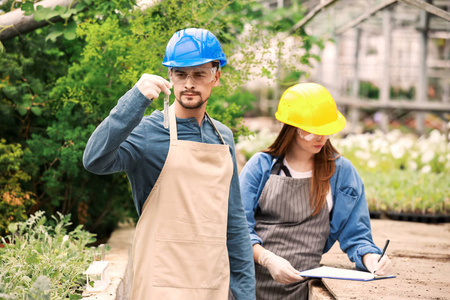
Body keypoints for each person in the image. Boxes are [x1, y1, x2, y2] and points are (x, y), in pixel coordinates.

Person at [83, 28, 255, 300]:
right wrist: (135, 99)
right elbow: (94, 160)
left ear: (216, 76)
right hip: (160, 284)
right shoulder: (149, 132)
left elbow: (234, 222)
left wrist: (245, 294)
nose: (189, 83)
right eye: (181, 73)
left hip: (212, 283)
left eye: (199, 74)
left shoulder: (224, 138)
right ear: (170, 76)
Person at [239, 83, 392, 299]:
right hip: (249, 287)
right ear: (291, 127)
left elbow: (357, 234)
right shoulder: (261, 166)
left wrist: (370, 258)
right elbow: (237, 228)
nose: (321, 137)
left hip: (301, 288)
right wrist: (267, 259)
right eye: (313, 131)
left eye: (326, 130)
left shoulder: (341, 172)